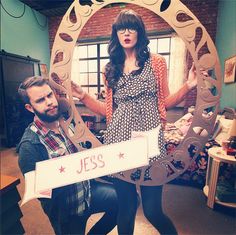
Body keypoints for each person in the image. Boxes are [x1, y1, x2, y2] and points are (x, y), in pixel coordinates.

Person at [72, 9, 198, 235]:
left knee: (152, 211)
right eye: (121, 28)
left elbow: (165, 102)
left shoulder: (156, 62)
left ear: (140, 32)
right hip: (119, 144)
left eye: (132, 28)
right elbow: (109, 112)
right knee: (126, 207)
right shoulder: (110, 68)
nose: (126, 33)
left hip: (149, 144)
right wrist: (83, 96)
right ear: (116, 34)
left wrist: (188, 86)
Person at [16, 76, 118, 235]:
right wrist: (64, 171)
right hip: (68, 212)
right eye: (40, 100)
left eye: (49, 95)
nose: (49, 102)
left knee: (128, 200)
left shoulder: (68, 123)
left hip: (89, 193)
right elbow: (43, 195)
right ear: (30, 108)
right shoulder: (29, 146)